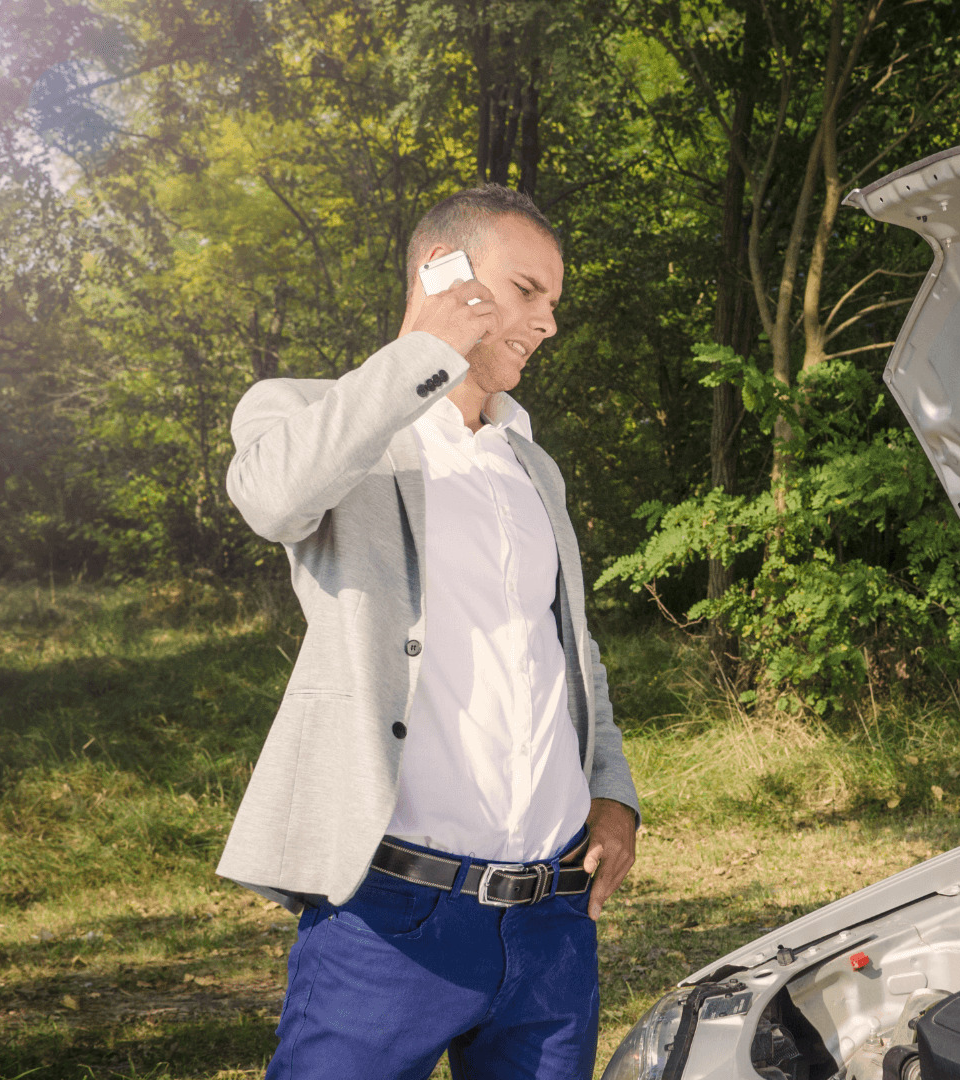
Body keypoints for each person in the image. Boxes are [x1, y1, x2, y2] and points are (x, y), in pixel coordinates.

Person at [217, 184, 640, 1079]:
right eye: (529, 291)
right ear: (444, 275)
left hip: (552, 927)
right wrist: (423, 347)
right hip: (390, 924)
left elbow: (569, 645)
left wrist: (614, 789)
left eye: (553, 302)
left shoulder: (532, 461)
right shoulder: (308, 412)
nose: (547, 323)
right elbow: (270, 498)